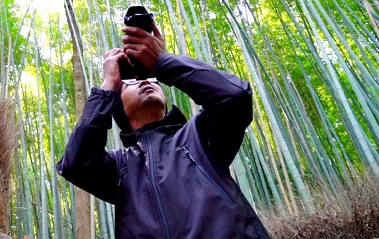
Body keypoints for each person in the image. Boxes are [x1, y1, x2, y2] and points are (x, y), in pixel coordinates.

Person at [57, 22, 270, 238]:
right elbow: (76, 164)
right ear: (118, 106)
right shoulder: (119, 167)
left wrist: (161, 60)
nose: (145, 82)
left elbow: (234, 97)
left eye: (151, 79)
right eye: (131, 82)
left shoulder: (199, 136)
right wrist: (109, 84)